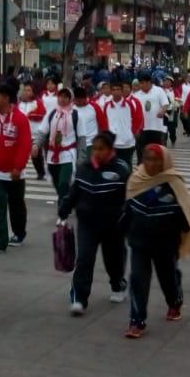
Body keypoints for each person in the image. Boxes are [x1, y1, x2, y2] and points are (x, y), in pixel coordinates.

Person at [123, 144, 190, 336]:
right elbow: (127, 210)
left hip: (165, 244)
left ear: (164, 161)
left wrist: (181, 232)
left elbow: (187, 214)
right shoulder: (136, 179)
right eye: (148, 159)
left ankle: (174, 301)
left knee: (167, 278)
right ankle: (137, 321)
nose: (151, 163)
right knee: (138, 279)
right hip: (139, 242)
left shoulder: (173, 183)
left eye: (156, 159)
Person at [59, 131, 130, 316]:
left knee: (113, 260)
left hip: (113, 225)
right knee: (84, 259)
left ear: (110, 149)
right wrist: (64, 209)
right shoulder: (84, 167)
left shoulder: (121, 169)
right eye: (95, 148)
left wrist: (128, 220)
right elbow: (75, 192)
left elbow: (130, 198)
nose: (97, 152)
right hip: (87, 224)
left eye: (102, 148)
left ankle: (118, 284)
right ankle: (79, 299)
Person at [0, 84, 32, 255]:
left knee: (16, 204)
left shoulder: (20, 118)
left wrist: (18, 166)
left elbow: (25, 144)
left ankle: (19, 233)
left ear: (6, 98)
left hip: (14, 172)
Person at [37, 88, 79, 203]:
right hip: (52, 155)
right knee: (56, 182)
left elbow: (82, 136)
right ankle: (67, 199)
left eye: (66, 97)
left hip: (68, 154)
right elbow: (42, 131)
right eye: (60, 96)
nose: (63, 99)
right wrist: (36, 145)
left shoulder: (75, 114)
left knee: (64, 182)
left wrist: (82, 157)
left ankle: (62, 210)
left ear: (70, 99)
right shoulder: (52, 113)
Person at [102, 78, 142, 166]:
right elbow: (105, 123)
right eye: (114, 90)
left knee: (127, 165)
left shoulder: (129, 104)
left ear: (122, 91)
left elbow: (137, 119)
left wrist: (135, 132)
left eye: (118, 89)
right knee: (113, 166)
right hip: (113, 143)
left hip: (127, 143)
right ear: (111, 92)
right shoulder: (107, 106)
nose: (116, 92)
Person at [18, 83, 48, 180]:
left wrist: (30, 115)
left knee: (35, 155)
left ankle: (41, 172)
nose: (26, 92)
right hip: (22, 134)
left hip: (35, 134)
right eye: (25, 90)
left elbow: (42, 114)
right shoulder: (20, 103)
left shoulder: (37, 102)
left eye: (29, 90)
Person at [133, 72, 171, 148]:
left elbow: (165, 104)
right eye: (142, 83)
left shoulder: (159, 91)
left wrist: (162, 111)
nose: (145, 85)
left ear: (150, 82)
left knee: (156, 151)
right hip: (142, 129)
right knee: (142, 151)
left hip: (156, 128)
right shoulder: (136, 96)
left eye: (147, 82)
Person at [72, 86, 107, 153]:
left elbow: (103, 126)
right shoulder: (71, 108)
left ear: (85, 97)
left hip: (91, 144)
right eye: (77, 100)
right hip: (76, 144)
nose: (79, 102)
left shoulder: (94, 107)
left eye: (81, 99)